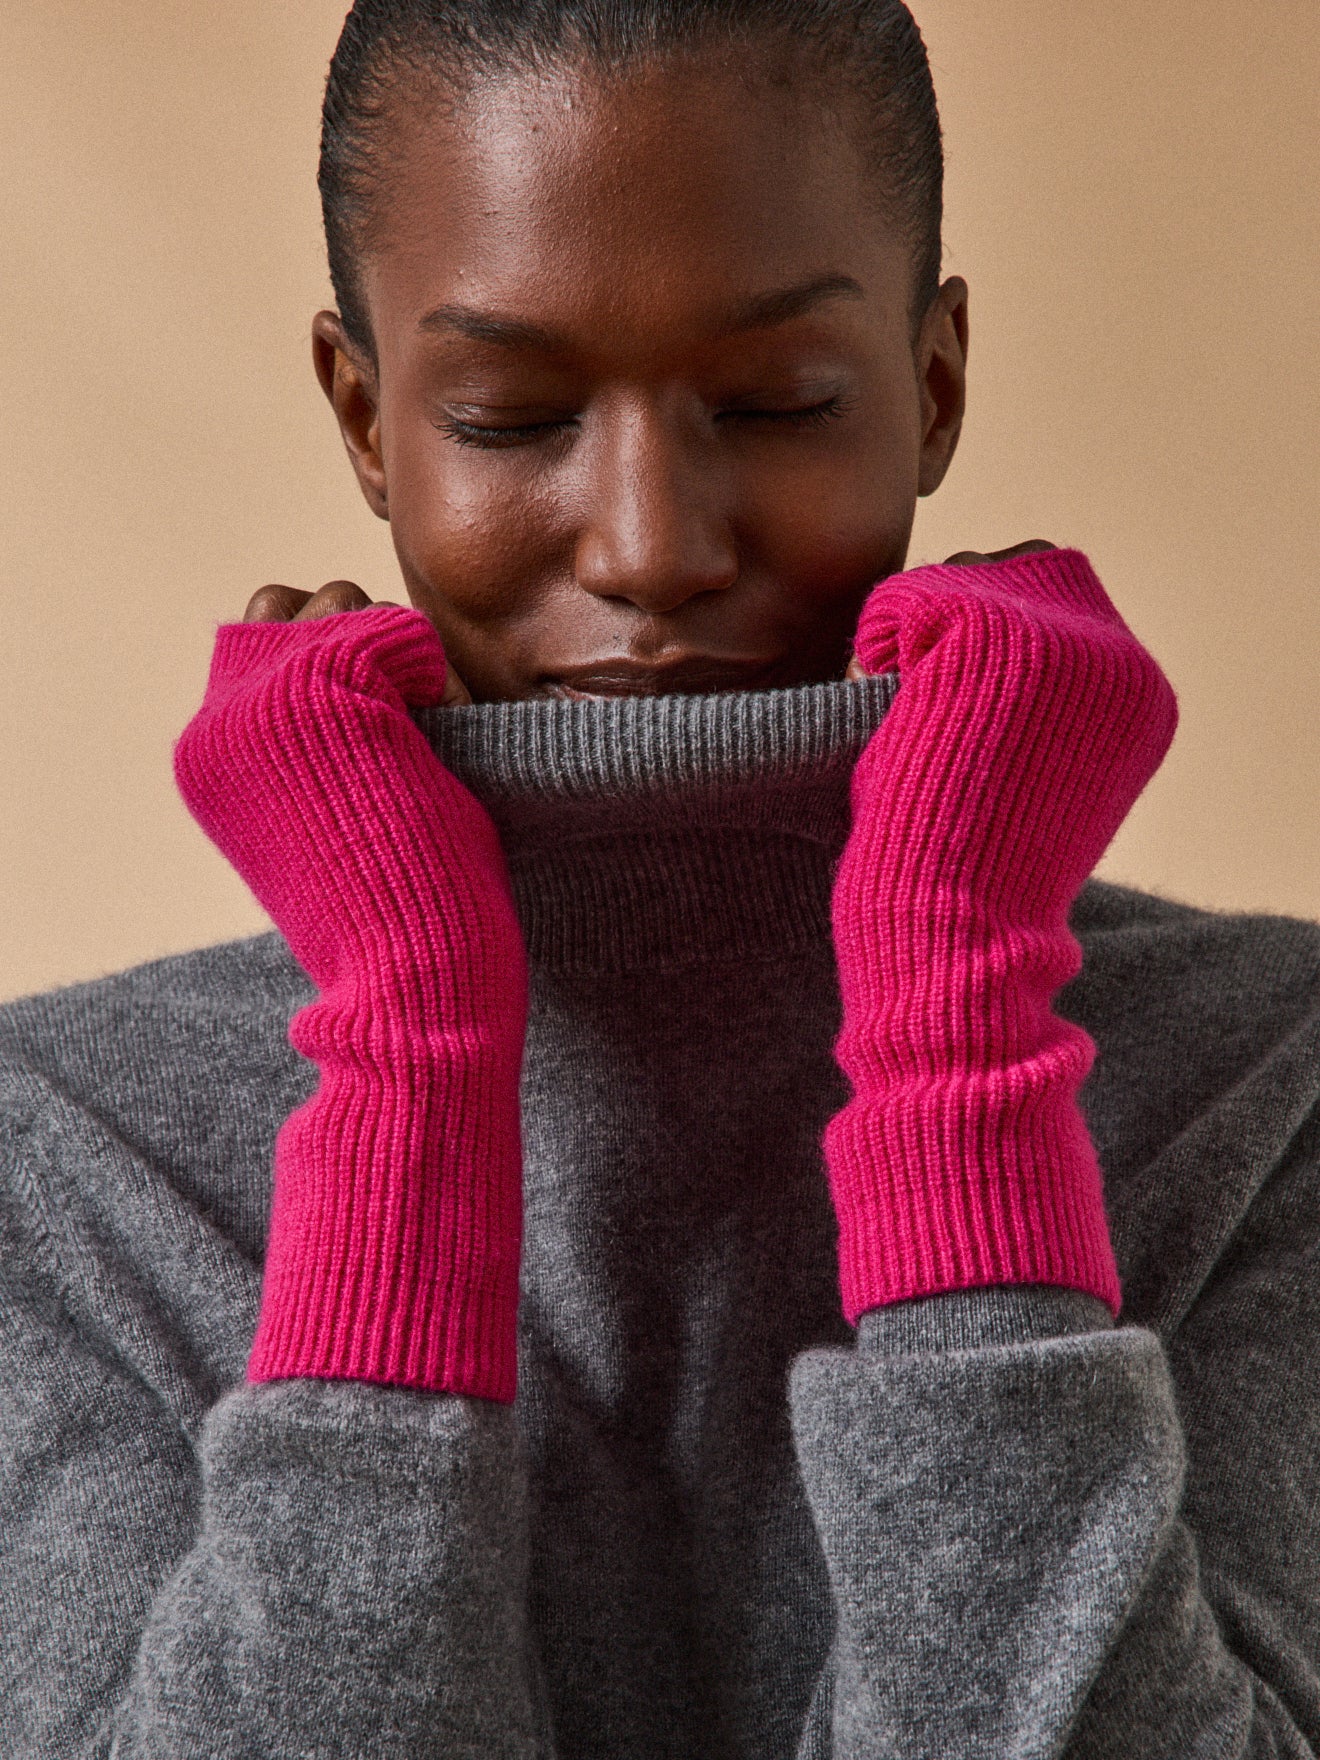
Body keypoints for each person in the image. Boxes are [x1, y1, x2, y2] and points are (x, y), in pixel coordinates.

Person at [2, 0, 1317, 1753]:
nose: (651, 543)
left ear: (932, 390)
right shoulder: (61, 1151)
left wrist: (951, 999)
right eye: (512, 414)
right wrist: (405, 1046)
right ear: (365, 413)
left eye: (777, 404)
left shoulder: (1276, 1081)